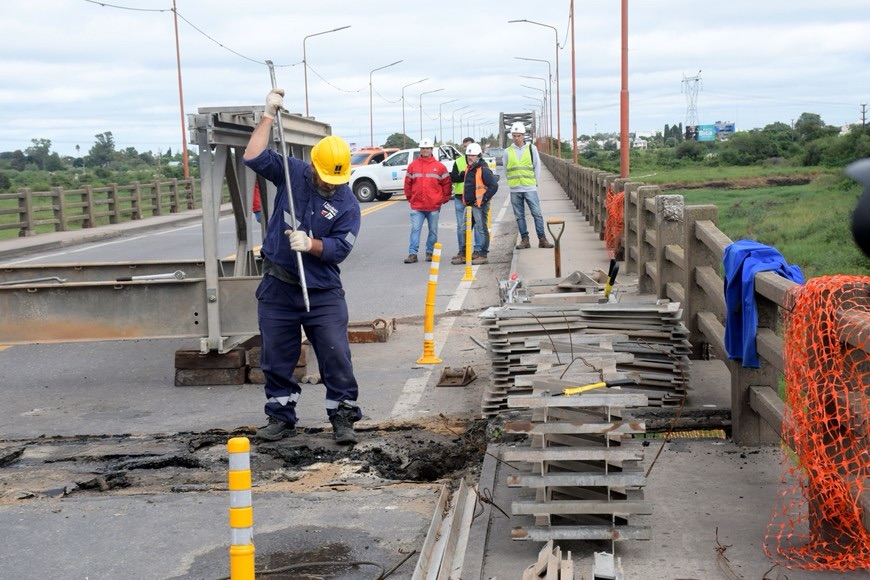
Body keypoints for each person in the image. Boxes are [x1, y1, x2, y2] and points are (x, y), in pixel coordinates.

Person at [243, 87, 363, 445]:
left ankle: (343, 416)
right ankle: (281, 415)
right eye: (326, 176)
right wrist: (267, 115)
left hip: (322, 290)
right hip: (279, 285)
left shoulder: (348, 205)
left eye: (336, 180)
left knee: (335, 353)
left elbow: (341, 248)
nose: (330, 184)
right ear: (313, 165)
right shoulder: (292, 174)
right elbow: (253, 155)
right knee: (276, 355)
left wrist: (310, 244)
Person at [503, 122, 554, 250]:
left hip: (529, 187)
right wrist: (511, 183)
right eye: (514, 135)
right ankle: (525, 240)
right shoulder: (507, 151)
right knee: (519, 216)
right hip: (515, 188)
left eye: (518, 135)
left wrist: (535, 182)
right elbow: (505, 169)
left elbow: (537, 166)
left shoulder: (532, 149)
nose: (516, 138)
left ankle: (542, 239)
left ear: (523, 135)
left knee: (537, 213)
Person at [402, 138, 452, 264]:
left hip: (433, 206)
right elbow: (407, 184)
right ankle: (412, 253)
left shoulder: (439, 167)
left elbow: (447, 184)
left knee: (433, 231)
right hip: (417, 205)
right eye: (423, 148)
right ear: (420, 150)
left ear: (431, 150)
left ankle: (430, 252)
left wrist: (444, 198)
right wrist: (410, 198)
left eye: (427, 148)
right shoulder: (413, 166)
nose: (425, 150)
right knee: (415, 229)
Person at [462, 142, 499, 264]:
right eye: (468, 155)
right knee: (465, 229)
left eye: (472, 155)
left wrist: (484, 199)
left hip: (479, 205)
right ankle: (464, 253)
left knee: (481, 229)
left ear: (478, 156)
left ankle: (483, 255)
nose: (470, 158)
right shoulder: (469, 168)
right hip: (469, 205)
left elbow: (494, 186)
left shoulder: (483, 170)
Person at [449, 137, 482, 265]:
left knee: (478, 226)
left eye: (470, 148)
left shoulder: (479, 162)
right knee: (461, 227)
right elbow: (454, 177)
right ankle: (463, 251)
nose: (467, 151)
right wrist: (464, 175)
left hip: (474, 198)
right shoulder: (458, 161)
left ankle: (477, 250)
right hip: (459, 197)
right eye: (465, 147)